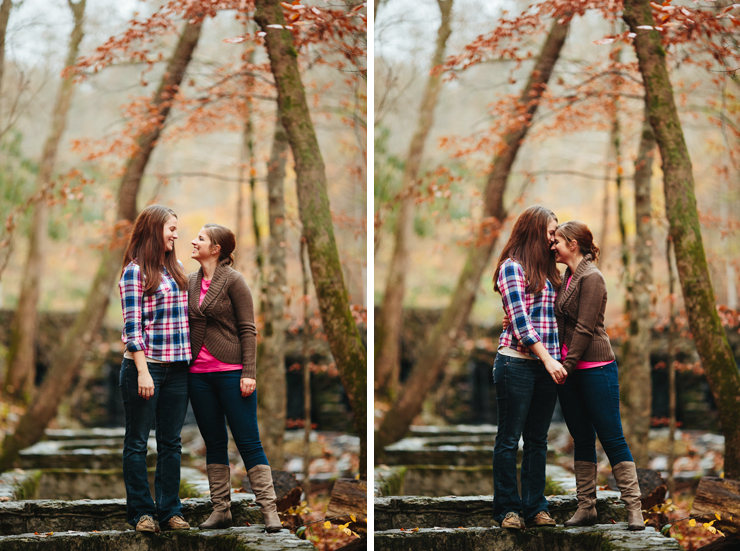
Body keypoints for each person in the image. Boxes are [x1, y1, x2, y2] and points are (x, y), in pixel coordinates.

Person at [550, 221, 645, 531]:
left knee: (612, 437)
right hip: (569, 371)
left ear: (574, 244)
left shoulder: (592, 277)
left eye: (558, 242)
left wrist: (568, 364)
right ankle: (586, 506)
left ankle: (634, 508)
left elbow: (584, 327)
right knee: (581, 439)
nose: (554, 246)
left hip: (595, 369)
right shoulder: (567, 277)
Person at [187, 223, 282, 533]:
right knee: (213, 443)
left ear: (216, 249)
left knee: (248, 442)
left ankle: (270, 511)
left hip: (232, 373)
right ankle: (221, 509)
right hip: (198, 377)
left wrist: (249, 373)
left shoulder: (234, 281)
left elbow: (248, 329)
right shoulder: (190, 281)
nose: (193, 241)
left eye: (200, 238)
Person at [491, 205, 568, 531]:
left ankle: (536, 507)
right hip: (516, 363)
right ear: (534, 231)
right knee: (510, 440)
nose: (554, 240)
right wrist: (549, 359)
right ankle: (508, 510)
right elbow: (520, 322)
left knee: (537, 440)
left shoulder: (551, 272)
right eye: (551, 232)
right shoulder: (512, 268)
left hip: (547, 368)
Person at [118, 204, 192, 532]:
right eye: (170, 228)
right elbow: (132, 328)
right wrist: (144, 370)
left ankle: (170, 511)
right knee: (137, 442)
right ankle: (142, 513)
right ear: (153, 229)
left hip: (178, 370)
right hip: (144, 369)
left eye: (176, 228)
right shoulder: (135, 272)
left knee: (171, 442)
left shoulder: (176, 269)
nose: (176, 234)